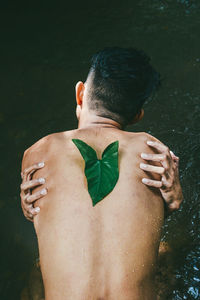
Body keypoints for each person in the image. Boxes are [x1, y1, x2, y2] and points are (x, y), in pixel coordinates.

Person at [20, 47, 183, 300]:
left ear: (80, 93)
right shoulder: (155, 153)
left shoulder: (38, 153)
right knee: (166, 250)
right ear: (137, 116)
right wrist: (173, 203)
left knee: (38, 268)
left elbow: (45, 219)